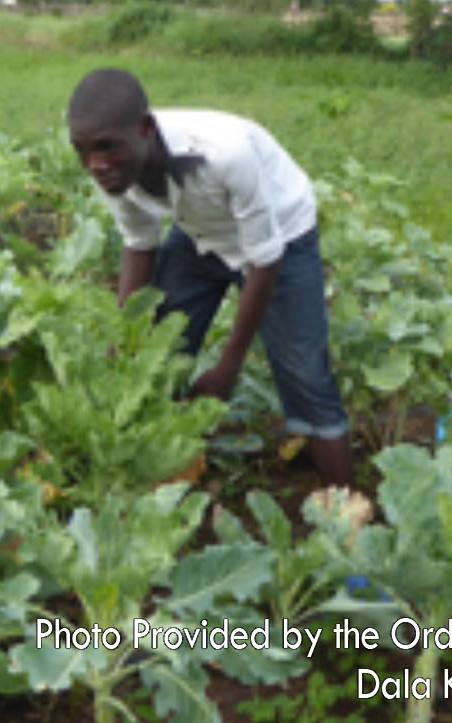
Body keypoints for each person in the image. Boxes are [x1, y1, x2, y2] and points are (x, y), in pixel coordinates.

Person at [67, 68, 353, 487]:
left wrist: (228, 366)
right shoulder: (107, 163)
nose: (96, 164)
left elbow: (265, 260)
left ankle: (349, 506)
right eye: (84, 151)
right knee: (158, 347)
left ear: (146, 129)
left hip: (281, 236)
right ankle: (159, 469)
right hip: (201, 230)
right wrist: (125, 341)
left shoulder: (225, 152)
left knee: (305, 372)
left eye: (107, 148)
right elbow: (139, 245)